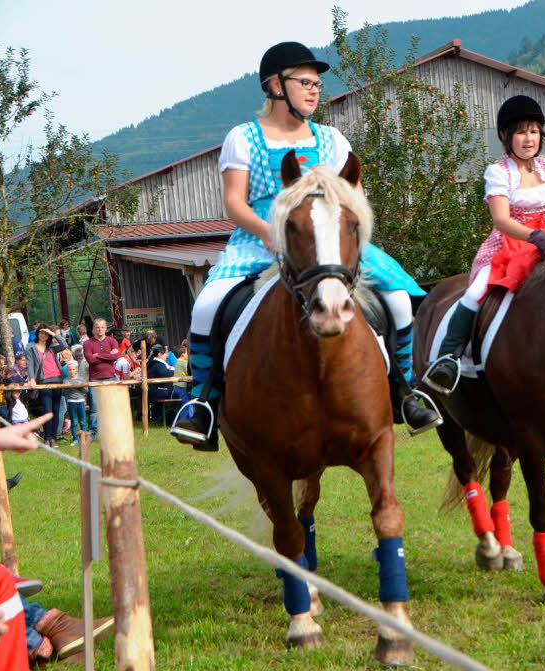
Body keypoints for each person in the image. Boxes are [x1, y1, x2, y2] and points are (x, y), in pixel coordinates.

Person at [173, 43, 440, 447]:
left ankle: (404, 391)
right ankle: (203, 404)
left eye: (317, 84)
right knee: (207, 306)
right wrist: (269, 233)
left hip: (328, 242)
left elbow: (353, 198)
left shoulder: (332, 139)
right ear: (275, 86)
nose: (315, 91)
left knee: (399, 300)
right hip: (259, 238)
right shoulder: (243, 137)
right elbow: (234, 203)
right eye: (305, 82)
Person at [425, 94, 545, 394]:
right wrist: (534, 236)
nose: (528, 138)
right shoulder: (499, 172)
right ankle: (448, 357)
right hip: (511, 243)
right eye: (521, 131)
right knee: (476, 290)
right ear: (506, 136)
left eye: (533, 131)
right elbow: (501, 220)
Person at [24, 325, 67, 447]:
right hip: (44, 380)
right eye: (41, 333)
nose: (43, 335)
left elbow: (64, 345)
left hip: (57, 379)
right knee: (47, 410)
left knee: (56, 410)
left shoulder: (52, 347)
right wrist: (32, 379)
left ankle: (52, 437)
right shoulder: (31, 347)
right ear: (37, 334)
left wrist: (53, 334)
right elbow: (30, 364)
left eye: (45, 333)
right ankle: (47, 437)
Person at [62, 361, 89, 446]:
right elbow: (63, 393)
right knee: (74, 422)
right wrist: (67, 387)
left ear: (76, 369)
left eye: (73, 369)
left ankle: (84, 439)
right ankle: (75, 439)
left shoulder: (81, 379)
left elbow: (86, 391)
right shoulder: (66, 380)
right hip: (71, 402)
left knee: (83, 421)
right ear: (67, 370)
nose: (72, 371)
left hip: (81, 401)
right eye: (70, 370)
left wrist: (80, 386)